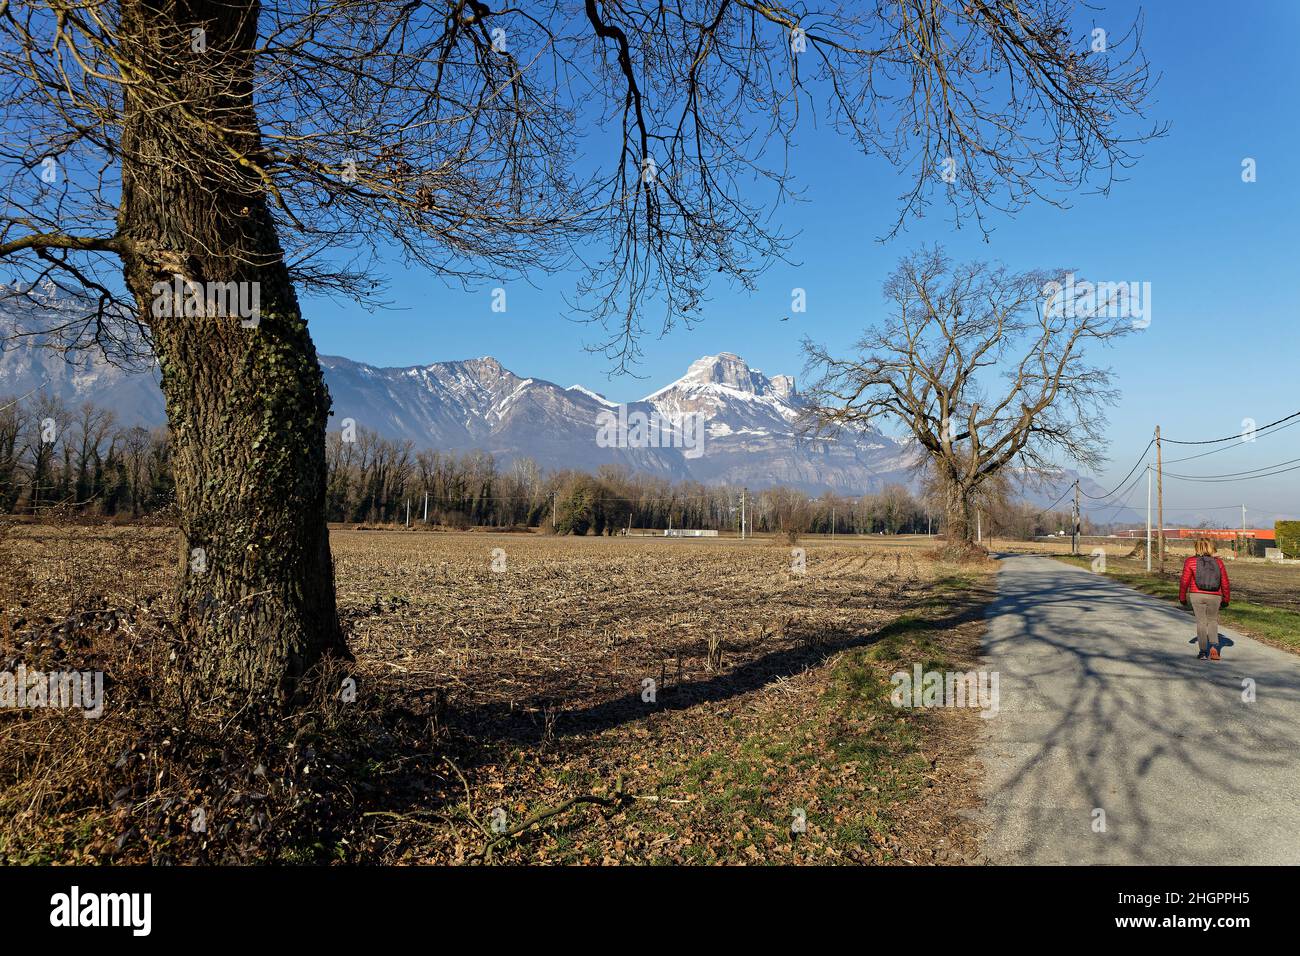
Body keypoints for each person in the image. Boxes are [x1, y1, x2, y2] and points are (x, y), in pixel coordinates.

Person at [1178, 537, 1231, 661]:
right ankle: (1214, 648)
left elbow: (1184, 581)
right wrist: (1226, 598)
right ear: (1211, 547)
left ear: (1197, 548)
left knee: (1201, 622)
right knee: (1212, 621)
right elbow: (1225, 582)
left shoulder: (1190, 561)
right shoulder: (1218, 563)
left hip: (1196, 595)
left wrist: (1182, 597)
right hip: (1215, 596)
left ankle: (1202, 652)